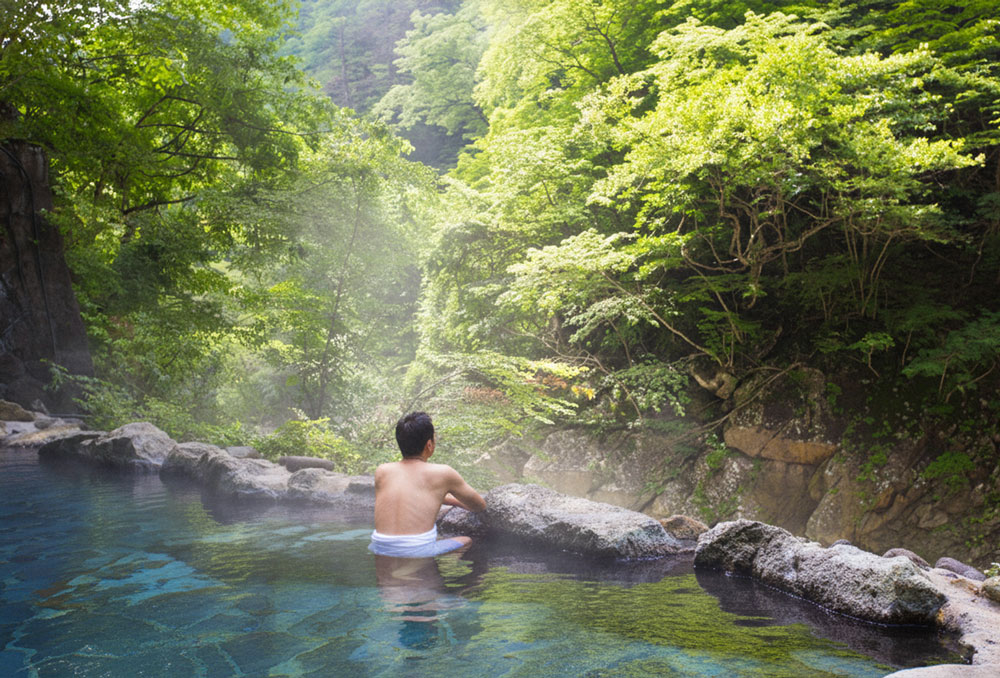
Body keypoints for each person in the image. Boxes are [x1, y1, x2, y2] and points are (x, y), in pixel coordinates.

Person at [368, 411, 486, 557]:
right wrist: (457, 502)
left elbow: (409, 494)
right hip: (417, 551)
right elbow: (479, 505)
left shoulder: (382, 471)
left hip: (379, 547)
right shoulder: (443, 473)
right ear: (429, 445)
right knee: (466, 540)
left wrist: (445, 498)